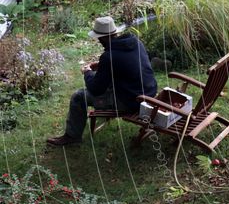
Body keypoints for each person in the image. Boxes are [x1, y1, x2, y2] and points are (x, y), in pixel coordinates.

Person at [47, 16, 157, 146]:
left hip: (131, 102)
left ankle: (72, 137)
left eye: (99, 38)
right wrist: (101, 65)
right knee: (105, 80)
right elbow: (127, 64)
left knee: (79, 96)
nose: (98, 41)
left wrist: (87, 72)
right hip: (149, 93)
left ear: (104, 37)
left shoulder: (109, 56)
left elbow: (96, 89)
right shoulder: (135, 43)